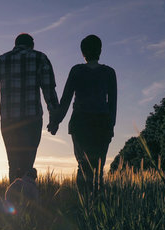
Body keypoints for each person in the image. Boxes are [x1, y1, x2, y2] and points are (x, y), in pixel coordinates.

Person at [0, 33, 59, 184]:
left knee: (13, 163)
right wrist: (54, 117)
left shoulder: (2, 60)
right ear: (32, 45)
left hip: (9, 120)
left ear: (15, 44)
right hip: (32, 120)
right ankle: (27, 200)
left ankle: (15, 199)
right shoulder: (40, 58)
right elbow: (49, 90)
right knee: (27, 164)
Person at [48, 34, 117, 195]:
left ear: (82, 52)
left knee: (83, 165)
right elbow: (113, 104)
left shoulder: (77, 71)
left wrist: (55, 121)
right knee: (98, 167)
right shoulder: (109, 72)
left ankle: (83, 204)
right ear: (100, 50)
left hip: (81, 124)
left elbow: (65, 100)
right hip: (102, 124)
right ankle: (97, 204)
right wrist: (110, 126)